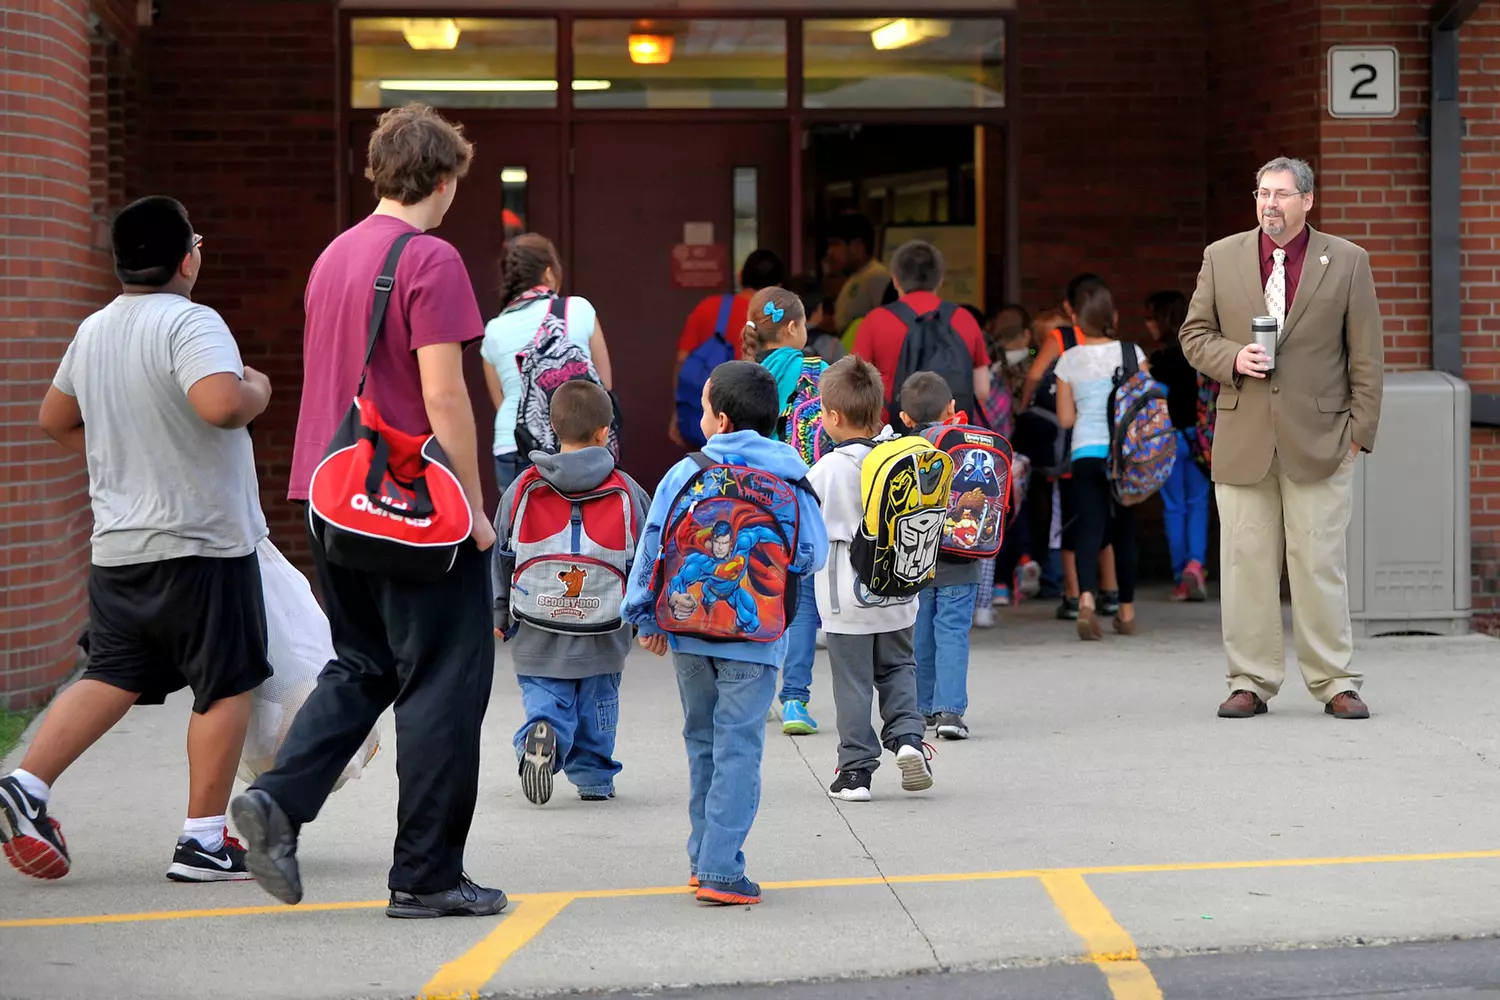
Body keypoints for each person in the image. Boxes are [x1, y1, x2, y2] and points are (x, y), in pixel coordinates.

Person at [233, 103, 504, 919]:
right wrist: (476, 506)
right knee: (445, 686)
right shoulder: (433, 258)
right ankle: (426, 877)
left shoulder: (334, 257)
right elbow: (442, 393)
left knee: (363, 664)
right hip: (414, 506)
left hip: (331, 493)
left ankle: (279, 800)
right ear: (447, 178)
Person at [3, 196, 272, 883]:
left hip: (121, 544)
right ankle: (203, 841)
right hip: (202, 543)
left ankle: (26, 785)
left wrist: (131, 448)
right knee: (227, 682)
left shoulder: (95, 328)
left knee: (114, 673)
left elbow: (53, 418)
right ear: (186, 258)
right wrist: (256, 390)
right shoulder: (190, 321)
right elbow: (218, 404)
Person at [1180, 156, 1384, 721]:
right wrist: (1232, 357)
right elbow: (1194, 334)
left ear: (1307, 201)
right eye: (1262, 193)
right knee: (1245, 564)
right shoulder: (1221, 257)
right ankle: (1250, 680)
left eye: (1281, 194)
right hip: (1245, 437)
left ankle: (1334, 680)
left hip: (1322, 439)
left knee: (1319, 562)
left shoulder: (1346, 261)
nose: (1269, 204)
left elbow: (1366, 356)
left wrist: (1358, 435)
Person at [623, 361, 827, 906]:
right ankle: (721, 868)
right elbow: (811, 555)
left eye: (705, 407)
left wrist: (644, 616)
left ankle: (702, 858)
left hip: (688, 636)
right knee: (739, 746)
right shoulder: (790, 476)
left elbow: (651, 545)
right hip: (757, 641)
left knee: (701, 742)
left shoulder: (684, 472)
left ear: (722, 419)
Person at [493, 380, 650, 806]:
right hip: (604, 626)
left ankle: (540, 735)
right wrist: (645, 616)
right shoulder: (627, 490)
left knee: (546, 694)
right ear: (604, 432)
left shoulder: (523, 486)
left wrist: (499, 612)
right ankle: (594, 777)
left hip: (535, 623)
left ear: (553, 427)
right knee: (598, 706)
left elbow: (502, 554)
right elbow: (646, 558)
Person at [808, 357, 934, 801]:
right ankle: (908, 741)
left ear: (834, 417)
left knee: (854, 684)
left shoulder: (828, 470)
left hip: (847, 602)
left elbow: (810, 533)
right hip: (900, 594)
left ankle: (856, 771)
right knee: (900, 668)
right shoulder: (903, 458)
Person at [743, 286, 826, 735]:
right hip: (806, 497)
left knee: (757, 593)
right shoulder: (820, 372)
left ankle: (753, 695)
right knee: (804, 600)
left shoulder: (742, 377)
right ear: (794, 327)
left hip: (754, 500)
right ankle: (795, 700)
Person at [1053, 281, 1147, 641]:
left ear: (1076, 319)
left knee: (1088, 529)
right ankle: (1126, 610)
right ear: (1114, 316)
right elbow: (1146, 407)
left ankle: (1087, 599)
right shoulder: (1132, 352)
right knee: (1124, 530)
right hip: (1124, 457)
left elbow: (1065, 419)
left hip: (1085, 454)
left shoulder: (1068, 359)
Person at [481, 233, 612, 490]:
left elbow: (503, 402)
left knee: (518, 528)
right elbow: (603, 386)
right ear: (549, 274)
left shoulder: (493, 330)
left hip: (514, 445)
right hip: (577, 445)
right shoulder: (578, 308)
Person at [1023, 281, 1119, 622]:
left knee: (1072, 520)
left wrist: (1025, 407)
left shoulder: (1061, 340)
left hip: (1074, 446)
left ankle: (1074, 593)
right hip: (1116, 448)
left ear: (1070, 307)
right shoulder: (1121, 348)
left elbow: (1035, 375)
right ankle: (1112, 591)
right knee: (1110, 520)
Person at [898, 372, 980, 739]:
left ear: (905, 418)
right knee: (952, 633)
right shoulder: (968, 443)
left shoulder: (903, 449)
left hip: (916, 559)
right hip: (963, 559)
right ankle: (950, 713)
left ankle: (920, 708)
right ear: (952, 409)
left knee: (919, 634)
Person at [852, 240, 991, 425]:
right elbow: (982, 390)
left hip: (894, 440)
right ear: (940, 280)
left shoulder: (874, 321)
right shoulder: (964, 319)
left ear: (895, 279)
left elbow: (855, 387)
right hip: (951, 439)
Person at [668, 249, 785, 446]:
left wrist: (679, 410)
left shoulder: (707, 308)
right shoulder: (776, 320)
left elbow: (682, 362)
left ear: (740, 276)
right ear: (779, 287)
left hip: (707, 419)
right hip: (757, 428)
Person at [1145, 290, 1210, 602]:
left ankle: (1179, 576)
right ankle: (1196, 564)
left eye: (1150, 317)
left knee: (1174, 507)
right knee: (1198, 503)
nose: (1147, 324)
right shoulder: (1199, 354)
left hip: (1168, 440)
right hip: (1198, 439)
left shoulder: (1157, 362)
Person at [827, 214, 891, 344]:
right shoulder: (858, 276)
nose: (830, 252)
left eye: (836, 244)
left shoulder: (876, 276)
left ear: (858, 246)